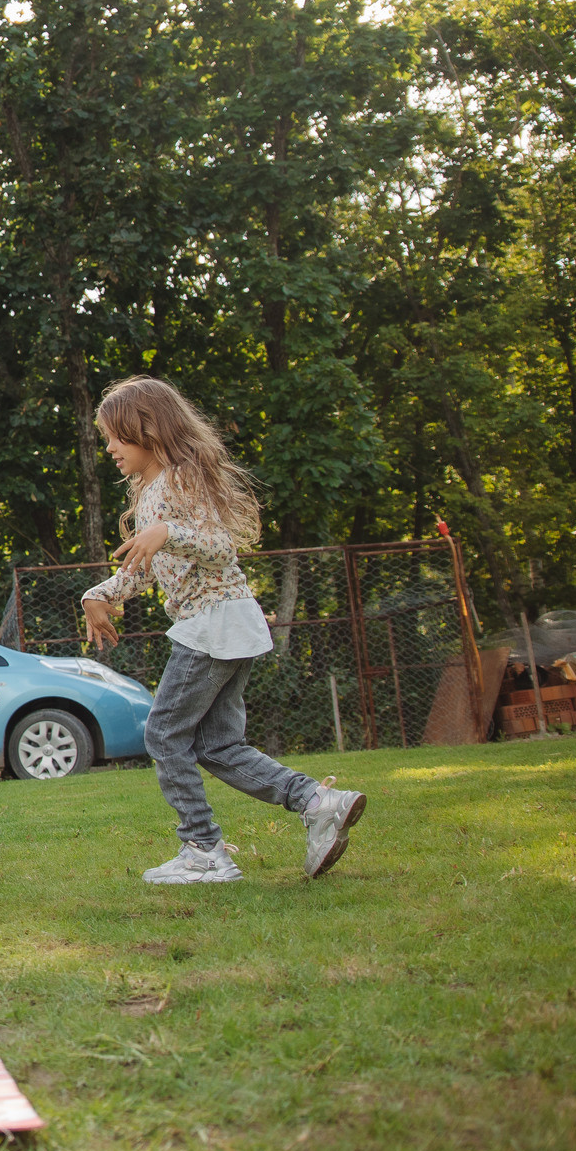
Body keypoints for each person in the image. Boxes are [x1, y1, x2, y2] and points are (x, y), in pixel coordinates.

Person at [79, 375, 367, 884]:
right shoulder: (153, 491)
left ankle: (203, 850)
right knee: (216, 745)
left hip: (213, 623)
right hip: (219, 624)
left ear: (147, 430)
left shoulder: (182, 478)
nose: (109, 448)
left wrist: (167, 531)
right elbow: (145, 569)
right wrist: (99, 594)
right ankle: (319, 803)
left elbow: (217, 548)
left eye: (116, 437)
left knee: (164, 733)